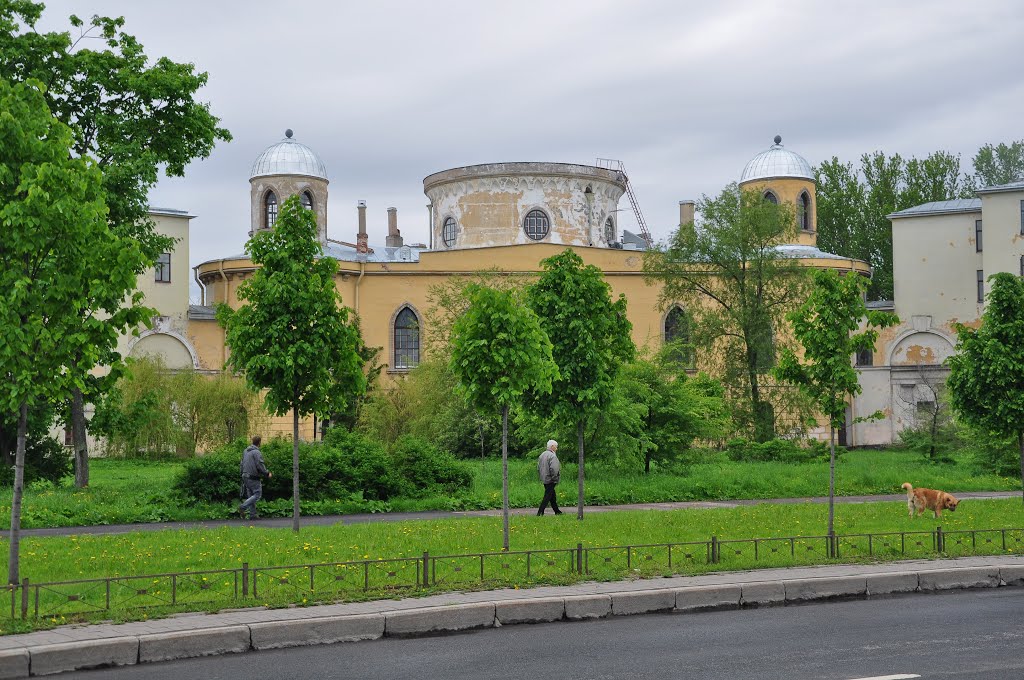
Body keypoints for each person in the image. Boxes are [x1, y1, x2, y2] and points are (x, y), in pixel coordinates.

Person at [239, 435, 271, 520]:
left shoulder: (245, 451)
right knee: (257, 495)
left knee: (251, 496)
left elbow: (241, 463)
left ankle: (253, 515)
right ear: (259, 442)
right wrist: (267, 473)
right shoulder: (256, 452)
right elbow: (259, 465)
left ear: (252, 442)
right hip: (253, 477)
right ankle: (243, 506)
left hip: (244, 476)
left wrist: (241, 474)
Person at [537, 439, 562, 515]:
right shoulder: (552, 456)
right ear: (552, 446)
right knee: (547, 496)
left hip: (544, 478)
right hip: (551, 479)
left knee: (552, 495)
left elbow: (538, 467)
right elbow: (554, 469)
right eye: (556, 447)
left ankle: (557, 511)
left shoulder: (542, 455)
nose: (556, 448)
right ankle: (540, 512)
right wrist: (555, 478)